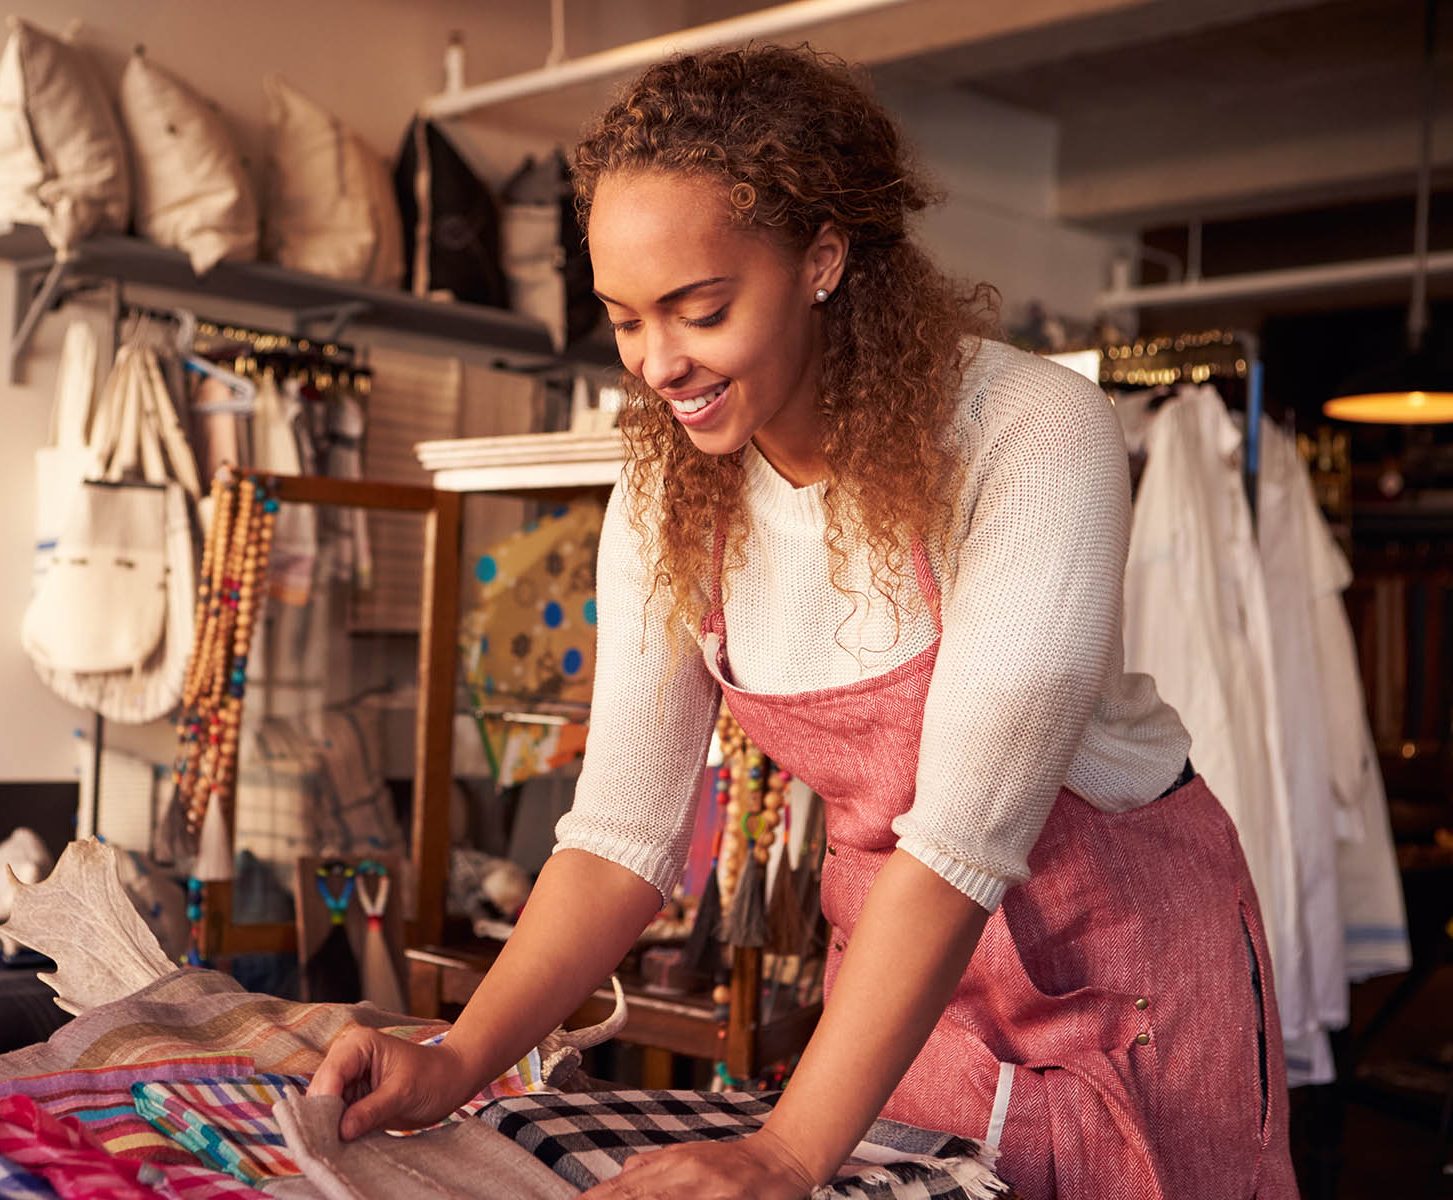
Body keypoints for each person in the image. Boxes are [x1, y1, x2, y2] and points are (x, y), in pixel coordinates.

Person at [310, 44, 1298, 1200]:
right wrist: (457, 1060)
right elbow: (621, 838)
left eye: (701, 309)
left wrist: (784, 1147)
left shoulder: (1032, 435)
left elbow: (964, 836)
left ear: (823, 257)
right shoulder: (668, 490)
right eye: (625, 320)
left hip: (1124, 974)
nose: (659, 364)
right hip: (902, 991)